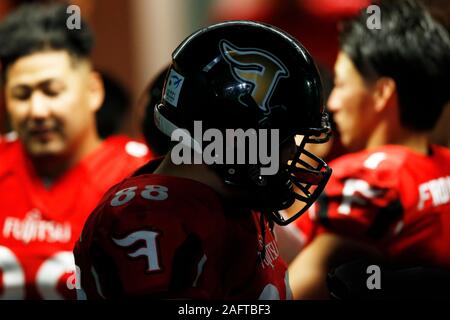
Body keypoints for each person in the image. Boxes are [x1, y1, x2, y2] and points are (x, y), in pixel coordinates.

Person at [74, 20, 332, 299]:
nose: (293, 152)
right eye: (285, 138)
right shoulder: (148, 218)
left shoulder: (234, 194)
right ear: (236, 137)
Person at [288, 0, 450, 299]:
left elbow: (290, 291)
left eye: (342, 84)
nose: (333, 102)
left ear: (382, 92)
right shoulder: (443, 164)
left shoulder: (370, 178)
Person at [0, 3, 151, 299]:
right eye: (22, 94)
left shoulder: (141, 179)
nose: (37, 110)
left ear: (93, 90)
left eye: (52, 91)